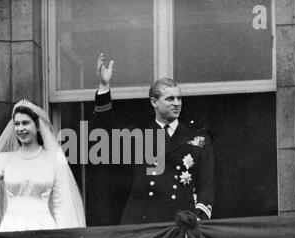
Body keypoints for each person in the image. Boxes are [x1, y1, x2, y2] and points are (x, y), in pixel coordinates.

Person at [91, 53, 214, 225]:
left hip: (181, 222)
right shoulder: (139, 136)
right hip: (143, 222)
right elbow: (106, 130)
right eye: (170, 99)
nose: (177, 103)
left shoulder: (198, 138)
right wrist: (104, 86)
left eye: (179, 99)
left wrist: (200, 215)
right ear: (154, 102)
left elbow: (206, 184)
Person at [0, 99, 86, 232]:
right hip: (11, 228)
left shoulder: (52, 160)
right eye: (17, 124)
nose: (21, 128)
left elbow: (60, 203)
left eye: (25, 123)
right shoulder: (6, 159)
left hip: (44, 229)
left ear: (37, 126)